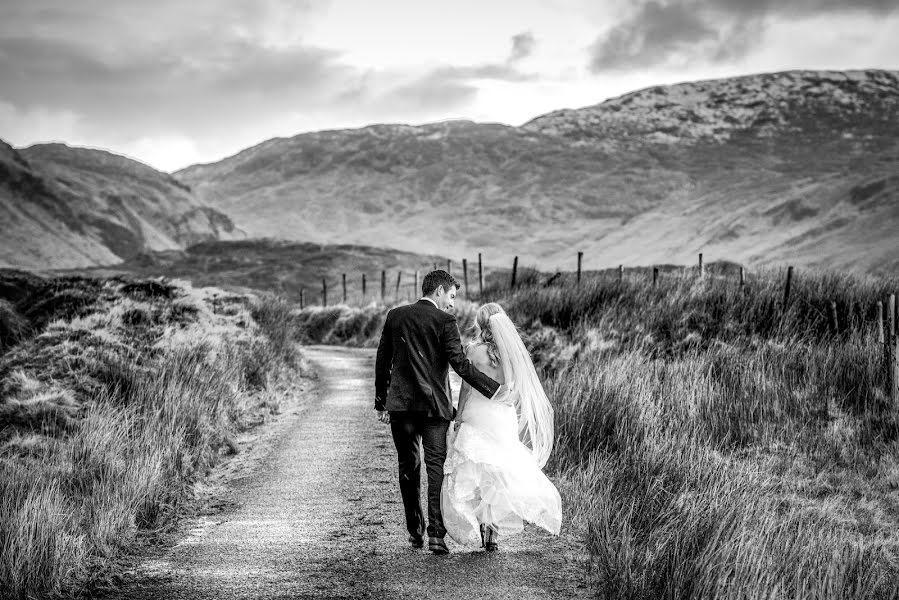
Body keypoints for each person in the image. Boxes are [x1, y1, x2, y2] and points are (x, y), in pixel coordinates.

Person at [375, 270, 509, 554]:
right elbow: (460, 364)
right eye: (450, 296)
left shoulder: (395, 316)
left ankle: (415, 532)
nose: (451, 303)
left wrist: (380, 402)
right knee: (436, 469)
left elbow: (383, 359)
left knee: (407, 468)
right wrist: (493, 390)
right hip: (435, 409)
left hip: (400, 407)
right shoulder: (445, 321)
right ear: (438, 291)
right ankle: (437, 535)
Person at [441, 302, 562, 551]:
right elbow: (516, 390)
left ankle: (480, 524)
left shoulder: (473, 351)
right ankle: (492, 530)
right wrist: (506, 401)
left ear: (481, 325)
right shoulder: (513, 354)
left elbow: (466, 387)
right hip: (503, 417)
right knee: (497, 473)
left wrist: (459, 416)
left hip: (477, 414)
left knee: (476, 470)